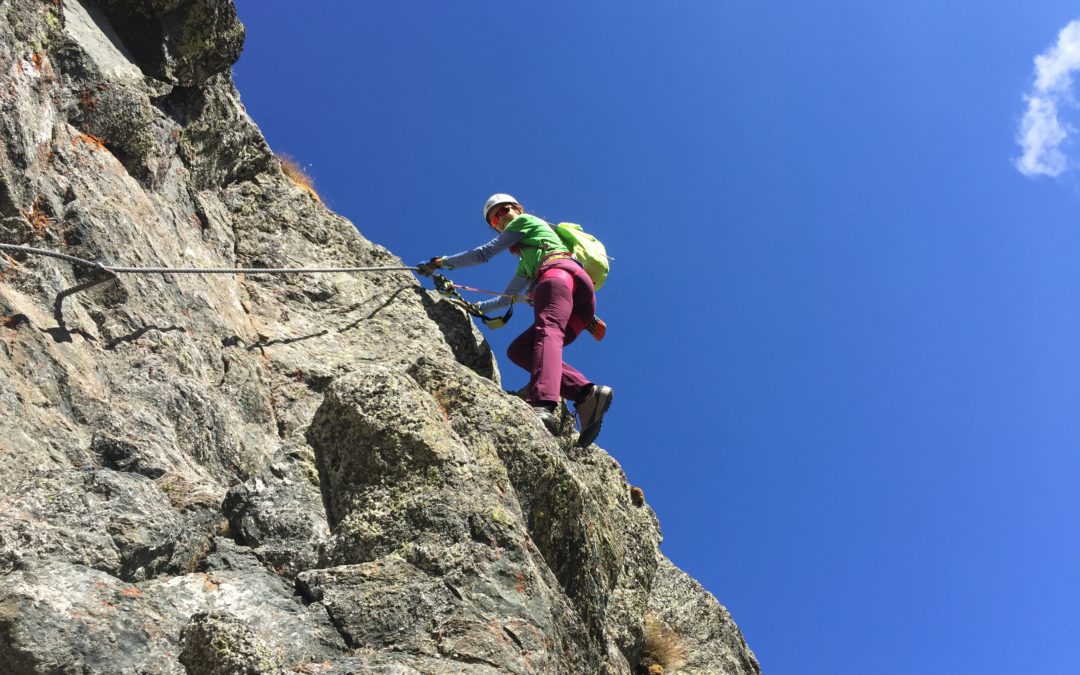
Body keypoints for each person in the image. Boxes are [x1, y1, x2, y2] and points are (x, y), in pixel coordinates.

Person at [417, 194, 613, 447]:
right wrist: (473, 307)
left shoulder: (524, 222)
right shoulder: (528, 261)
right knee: (520, 351)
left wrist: (441, 263)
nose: (501, 220)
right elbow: (507, 297)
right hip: (580, 301)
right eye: (495, 219)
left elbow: (484, 254)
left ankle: (543, 402)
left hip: (558, 275)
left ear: (518, 209)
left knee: (547, 331)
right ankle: (586, 394)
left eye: (504, 211)